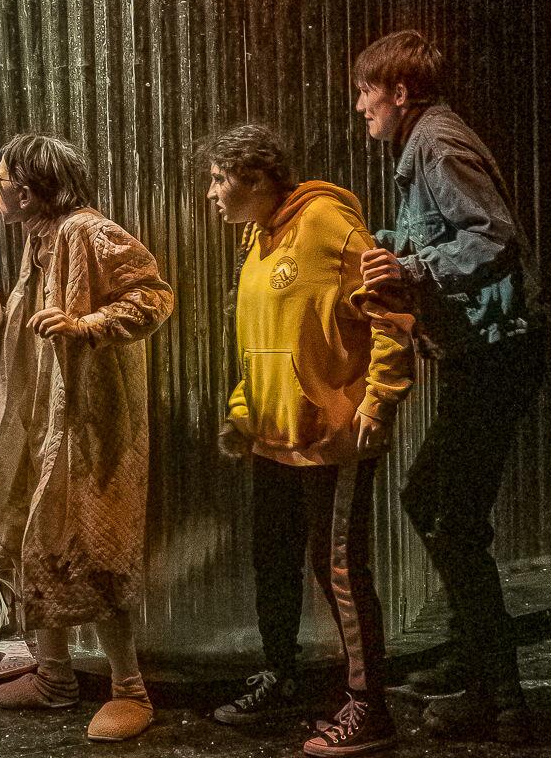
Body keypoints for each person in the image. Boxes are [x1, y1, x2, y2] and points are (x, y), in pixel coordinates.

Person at [352, 30, 546, 745]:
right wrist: (388, 250)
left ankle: (501, 699)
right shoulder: (424, 146)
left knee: (448, 517)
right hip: (487, 355)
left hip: (499, 354)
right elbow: (443, 234)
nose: (360, 107)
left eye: (366, 92)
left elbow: (493, 236)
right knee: (430, 501)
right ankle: (472, 659)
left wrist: (412, 268)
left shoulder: (435, 143)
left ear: (399, 92)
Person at [202, 124, 415, 757]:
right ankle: (283, 676)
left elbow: (390, 309)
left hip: (331, 437)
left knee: (338, 570)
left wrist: (379, 397)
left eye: (218, 180)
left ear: (256, 179)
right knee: (272, 560)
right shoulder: (258, 239)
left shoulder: (326, 223)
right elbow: (260, 341)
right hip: (273, 439)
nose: (211, 193)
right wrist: (244, 411)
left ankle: (369, 706)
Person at [0, 133, 174, 742]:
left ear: (29, 192)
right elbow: (43, 324)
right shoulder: (41, 239)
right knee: (40, 537)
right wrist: (0, 319)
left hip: (90, 428)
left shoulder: (88, 232)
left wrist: (90, 325)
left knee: (93, 547)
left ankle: (130, 689)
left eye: (1, 180)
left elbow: (154, 296)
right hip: (46, 424)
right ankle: (54, 676)